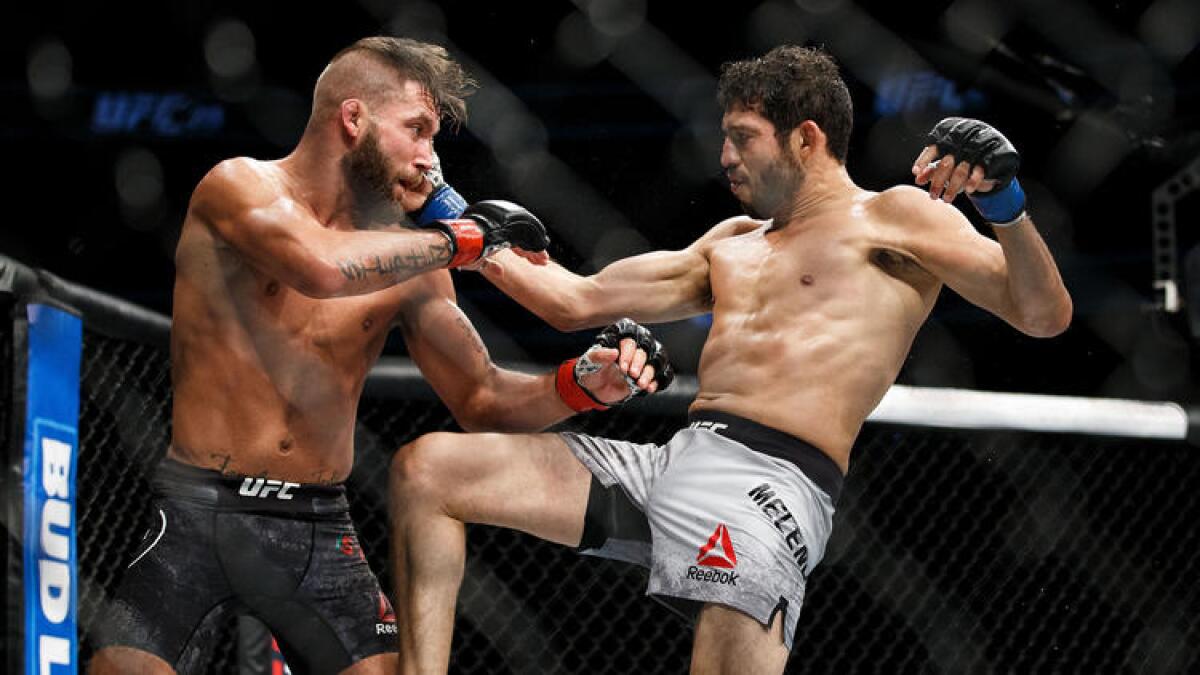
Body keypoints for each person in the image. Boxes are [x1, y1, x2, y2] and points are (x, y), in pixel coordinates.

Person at [388, 45, 1072, 675]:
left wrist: (1005, 207)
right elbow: (573, 300)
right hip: (673, 463)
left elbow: (1042, 315)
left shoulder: (894, 217)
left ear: (807, 138)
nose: (723, 156)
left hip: (771, 485)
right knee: (429, 470)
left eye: (743, 136)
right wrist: (445, 210)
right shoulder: (731, 241)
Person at [88, 36, 674, 675]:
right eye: (418, 131)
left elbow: (481, 399)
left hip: (317, 522)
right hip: (198, 510)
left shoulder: (414, 258)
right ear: (353, 119)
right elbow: (320, 267)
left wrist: (583, 383)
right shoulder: (240, 187)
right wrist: (465, 239)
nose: (431, 161)